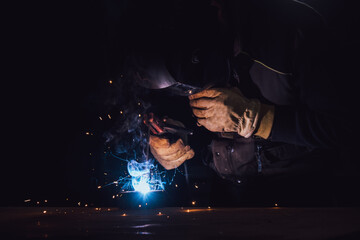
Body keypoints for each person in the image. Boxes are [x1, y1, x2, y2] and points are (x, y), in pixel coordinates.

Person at [129, 0, 357, 205]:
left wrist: (257, 118)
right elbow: (192, 118)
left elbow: (345, 128)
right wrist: (176, 135)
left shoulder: (296, 31)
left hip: (303, 197)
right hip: (227, 198)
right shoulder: (187, 47)